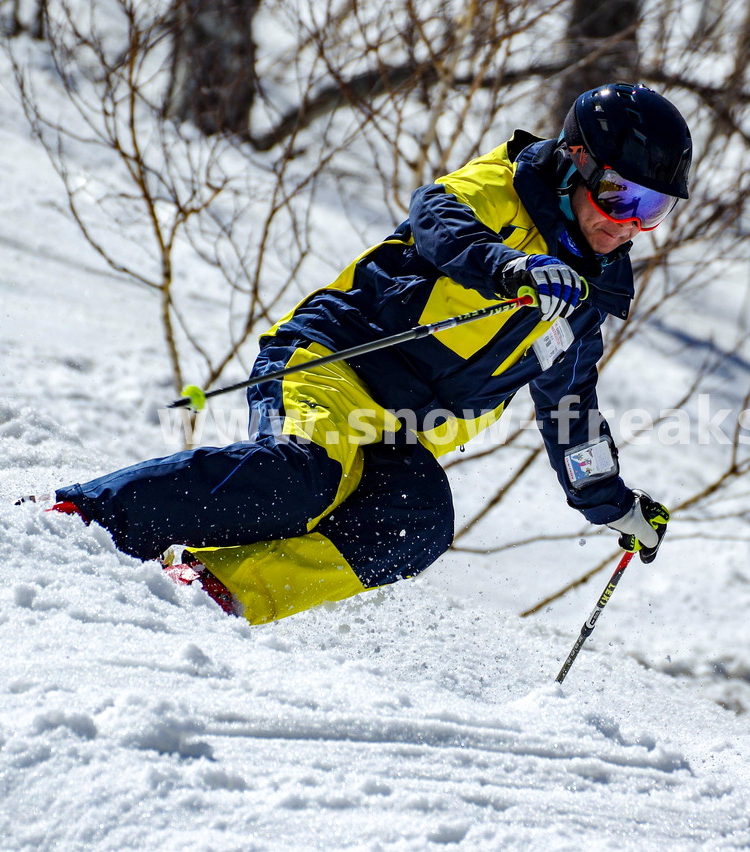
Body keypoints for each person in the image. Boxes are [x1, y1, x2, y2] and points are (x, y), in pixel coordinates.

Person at [47, 82, 690, 624]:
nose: (629, 222)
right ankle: (82, 520)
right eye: (620, 195)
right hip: (329, 365)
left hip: (398, 437)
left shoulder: (584, 304)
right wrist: (511, 268)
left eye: (652, 208)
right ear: (575, 160)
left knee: (420, 522)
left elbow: (571, 412)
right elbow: (439, 220)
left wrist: (614, 505)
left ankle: (213, 590)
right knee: (305, 476)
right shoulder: (501, 188)